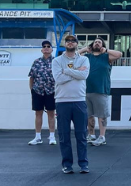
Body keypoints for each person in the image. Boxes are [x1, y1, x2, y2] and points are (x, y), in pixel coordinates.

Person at [52, 34, 90, 174]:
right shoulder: (57, 61)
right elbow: (58, 78)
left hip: (79, 100)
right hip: (62, 101)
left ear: (76, 44)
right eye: (68, 41)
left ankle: (83, 164)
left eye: (73, 41)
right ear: (65, 43)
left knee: (81, 135)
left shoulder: (84, 59)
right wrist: (75, 71)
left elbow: (84, 75)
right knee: (64, 135)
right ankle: (67, 164)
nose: (70, 43)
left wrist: (66, 71)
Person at [79, 37, 122, 146]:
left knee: (102, 115)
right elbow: (74, 57)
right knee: (89, 115)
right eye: (95, 42)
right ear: (92, 45)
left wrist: (106, 50)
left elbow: (119, 54)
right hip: (87, 89)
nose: (97, 43)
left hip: (101, 90)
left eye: (99, 42)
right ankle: (91, 134)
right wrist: (84, 49)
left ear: (102, 45)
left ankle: (102, 136)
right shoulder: (86, 57)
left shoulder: (106, 57)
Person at [27, 39, 57, 146]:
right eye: (44, 46)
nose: (46, 48)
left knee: (51, 114)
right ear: (41, 49)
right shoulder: (36, 62)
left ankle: (52, 137)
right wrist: (32, 90)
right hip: (38, 91)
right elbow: (32, 77)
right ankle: (38, 137)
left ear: (52, 49)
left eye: (48, 46)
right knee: (38, 113)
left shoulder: (56, 61)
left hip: (51, 91)